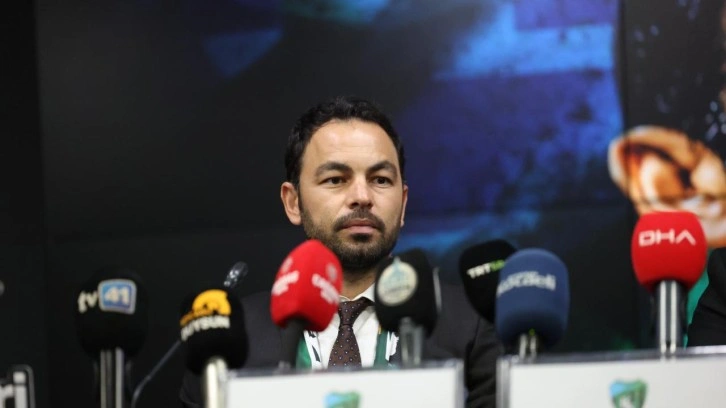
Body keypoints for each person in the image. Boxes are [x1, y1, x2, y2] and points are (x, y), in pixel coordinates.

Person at [179, 96, 502, 407]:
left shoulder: (471, 324)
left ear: (403, 203)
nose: (362, 196)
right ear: (293, 202)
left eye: (380, 179)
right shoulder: (228, 338)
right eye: (335, 179)